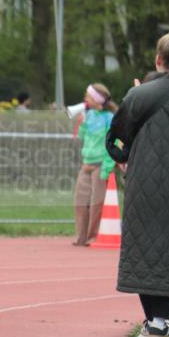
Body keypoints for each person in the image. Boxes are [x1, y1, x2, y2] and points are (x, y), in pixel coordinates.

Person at [106, 29, 169, 337]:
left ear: (158, 59)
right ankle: (165, 316)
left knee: (148, 246)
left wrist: (124, 156)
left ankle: (156, 319)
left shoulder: (138, 96)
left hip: (146, 183)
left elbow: (116, 138)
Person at [68, 83, 117, 246]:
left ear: (97, 100)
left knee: (97, 203)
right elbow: (80, 136)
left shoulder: (108, 118)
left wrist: (107, 166)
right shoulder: (88, 115)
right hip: (86, 164)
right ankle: (80, 237)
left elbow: (114, 142)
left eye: (88, 96)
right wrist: (81, 122)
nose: (85, 99)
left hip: (100, 164)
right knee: (80, 201)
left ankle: (92, 236)